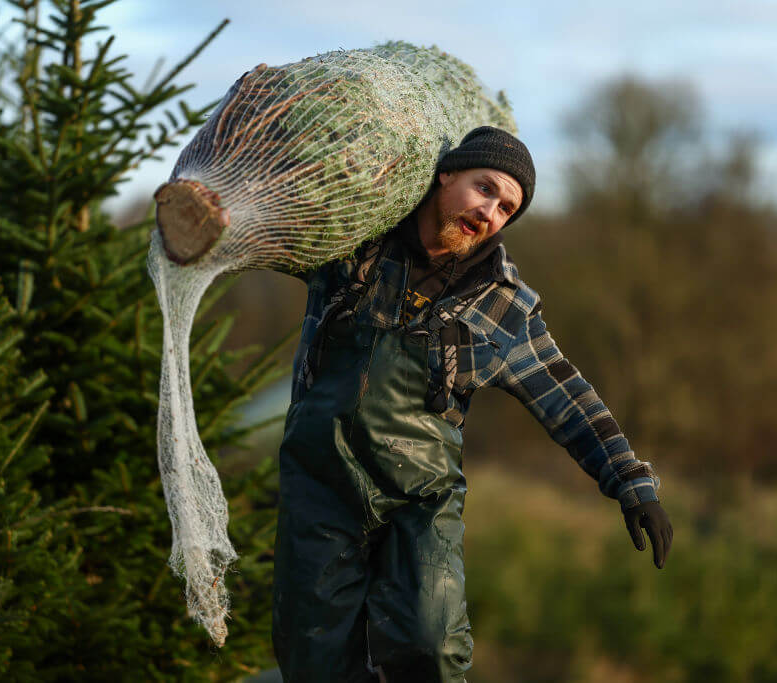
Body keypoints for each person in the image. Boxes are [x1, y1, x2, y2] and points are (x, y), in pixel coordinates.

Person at [271, 126, 673, 683]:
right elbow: (275, 226)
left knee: (432, 647)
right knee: (313, 660)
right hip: (319, 487)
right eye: (484, 189)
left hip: (420, 500)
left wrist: (633, 484)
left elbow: (571, 401)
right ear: (446, 174)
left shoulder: (504, 306)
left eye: (506, 207)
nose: (489, 211)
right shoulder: (358, 244)